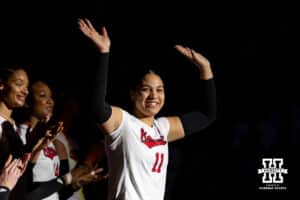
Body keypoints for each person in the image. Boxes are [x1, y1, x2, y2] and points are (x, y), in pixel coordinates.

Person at [78, 18, 217, 200]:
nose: (154, 96)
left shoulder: (162, 128)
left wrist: (205, 69)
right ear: (133, 94)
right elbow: (96, 108)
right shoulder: (124, 123)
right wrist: (104, 52)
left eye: (159, 90)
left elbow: (207, 115)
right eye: (146, 89)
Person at [19, 80, 107, 200]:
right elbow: (26, 191)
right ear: (28, 102)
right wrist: (69, 177)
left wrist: (77, 183)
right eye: (42, 96)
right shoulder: (19, 134)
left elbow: (57, 192)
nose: (50, 101)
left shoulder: (52, 141)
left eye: (51, 97)